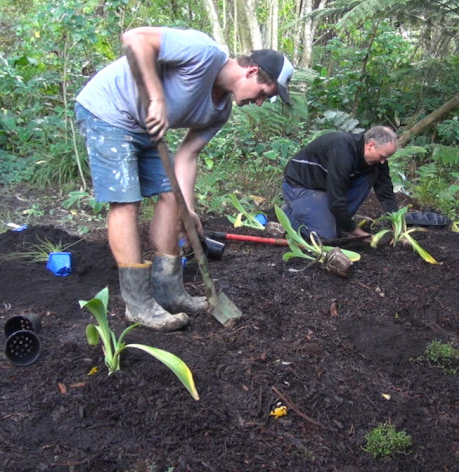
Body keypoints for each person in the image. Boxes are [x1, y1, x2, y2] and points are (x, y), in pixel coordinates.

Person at [74, 27, 294, 331]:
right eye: (262, 94)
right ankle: (137, 305)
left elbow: (187, 156)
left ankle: (168, 291)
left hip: (144, 126)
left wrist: (187, 210)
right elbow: (134, 38)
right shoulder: (203, 51)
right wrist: (156, 99)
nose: (258, 103)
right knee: (126, 201)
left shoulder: (219, 112)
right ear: (252, 71)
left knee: (170, 199)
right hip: (109, 110)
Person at [282, 126, 399, 241]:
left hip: (325, 187)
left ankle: (338, 222)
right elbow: (336, 197)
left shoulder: (377, 162)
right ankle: (287, 214)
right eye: (382, 156)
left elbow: (386, 193)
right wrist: (357, 232)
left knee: (373, 172)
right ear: (370, 145)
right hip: (301, 185)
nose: (383, 161)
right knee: (325, 236)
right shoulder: (342, 150)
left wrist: (398, 227)